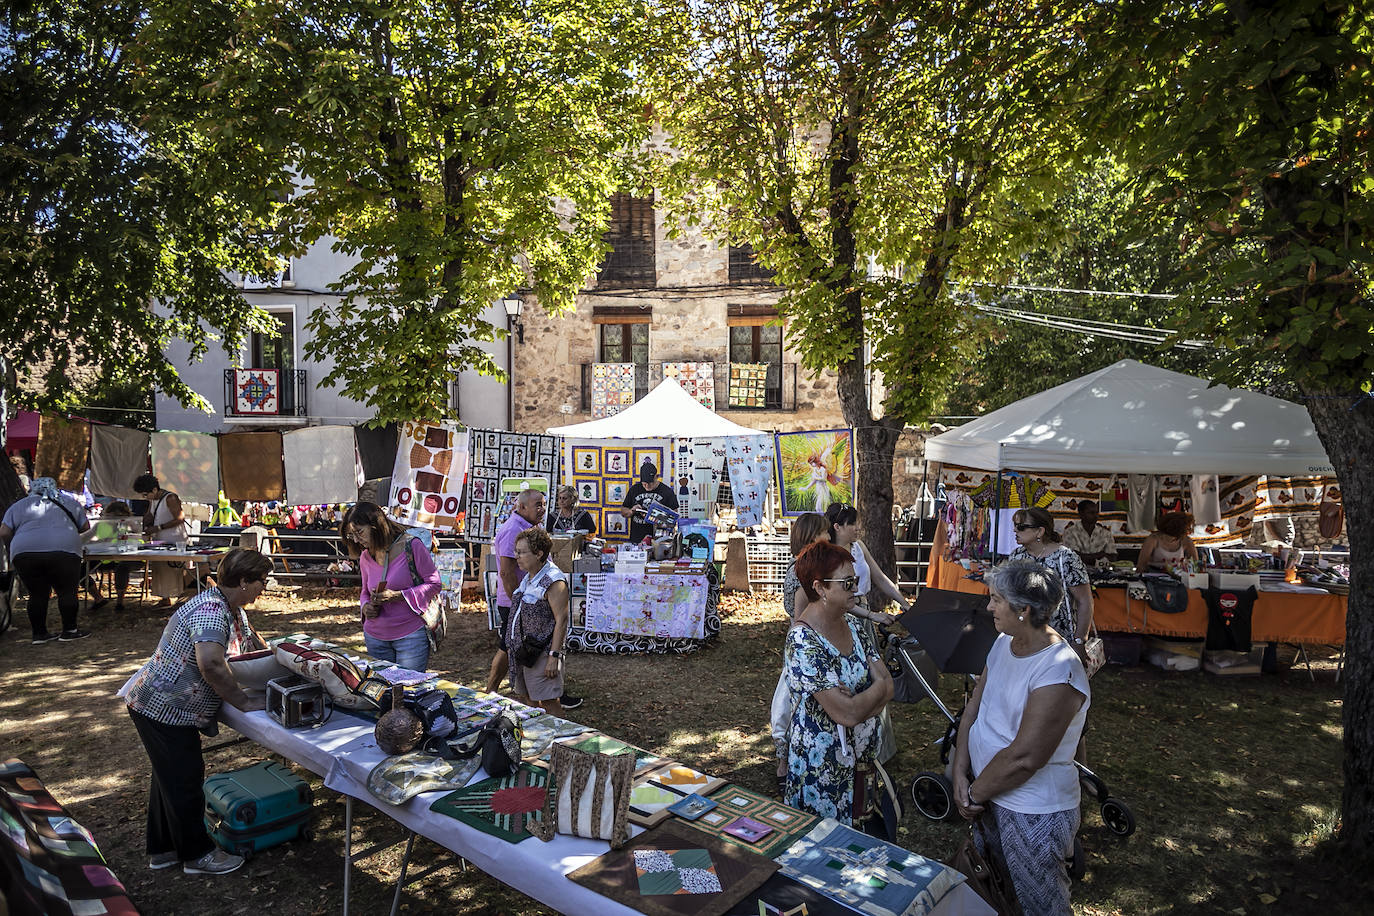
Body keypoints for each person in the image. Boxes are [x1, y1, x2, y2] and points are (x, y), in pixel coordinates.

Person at [123, 548, 274, 876]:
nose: (266, 586)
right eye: (262, 580)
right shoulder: (211, 610)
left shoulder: (231, 608)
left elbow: (253, 648)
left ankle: (163, 850)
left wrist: (283, 660)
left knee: (169, 778)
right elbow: (211, 664)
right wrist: (244, 702)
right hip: (163, 707)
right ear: (244, 581)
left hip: (165, 706)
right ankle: (197, 856)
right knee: (185, 779)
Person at [953, 559, 1090, 916]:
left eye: (996, 599)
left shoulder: (1059, 668)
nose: (989, 607)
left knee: (1040, 904)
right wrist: (958, 772)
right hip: (987, 795)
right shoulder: (1003, 642)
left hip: (1032, 810)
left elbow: (1025, 757)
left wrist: (973, 794)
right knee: (998, 890)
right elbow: (973, 711)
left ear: (1023, 610)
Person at [783, 541, 893, 822]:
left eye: (854, 580)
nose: (855, 588)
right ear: (820, 588)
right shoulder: (802, 641)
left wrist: (861, 699)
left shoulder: (854, 625)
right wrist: (873, 690)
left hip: (861, 767)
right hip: (821, 776)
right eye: (847, 583)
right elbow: (847, 713)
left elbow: (888, 685)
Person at [340, 501, 440, 672]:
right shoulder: (365, 556)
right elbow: (364, 591)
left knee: (408, 691)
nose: (356, 540)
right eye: (351, 535)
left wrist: (399, 595)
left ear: (376, 526)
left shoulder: (412, 546)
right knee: (382, 692)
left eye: (359, 532)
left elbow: (434, 583)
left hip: (410, 636)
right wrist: (365, 607)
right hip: (375, 636)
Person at [771, 512, 832, 789]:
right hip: (804, 648)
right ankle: (785, 765)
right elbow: (798, 621)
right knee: (791, 706)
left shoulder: (810, 569)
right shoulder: (801, 572)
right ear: (811, 537)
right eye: (824, 533)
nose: (829, 538)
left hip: (810, 644)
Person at [0, 476, 91, 643]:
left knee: (37, 594)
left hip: (25, 552)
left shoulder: (19, 505)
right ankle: (70, 630)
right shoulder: (68, 502)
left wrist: (11, 548)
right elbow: (85, 527)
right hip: (64, 549)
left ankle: (39, 634)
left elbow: (4, 532)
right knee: (67, 591)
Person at [1007, 506, 1093, 656]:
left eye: (1021, 527)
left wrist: (1079, 641)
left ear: (1040, 531)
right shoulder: (1016, 556)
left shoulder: (1066, 557)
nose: (1015, 531)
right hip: (1023, 636)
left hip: (1058, 640)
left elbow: (1085, 601)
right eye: (1015, 526)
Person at [506, 527, 571, 715]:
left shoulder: (553, 580)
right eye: (516, 551)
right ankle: (538, 734)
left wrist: (554, 656)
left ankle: (561, 738)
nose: (516, 556)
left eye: (521, 552)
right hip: (524, 650)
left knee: (548, 701)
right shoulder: (529, 576)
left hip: (542, 652)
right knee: (528, 698)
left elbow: (562, 619)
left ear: (539, 554)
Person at [823, 503, 910, 625]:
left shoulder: (858, 547)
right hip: (842, 617)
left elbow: (880, 578)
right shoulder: (827, 556)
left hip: (864, 610)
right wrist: (872, 615)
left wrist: (904, 603)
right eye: (852, 523)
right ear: (837, 527)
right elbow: (836, 599)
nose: (857, 528)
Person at [133, 474, 191, 607]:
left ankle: (181, 599)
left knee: (174, 570)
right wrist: (140, 524)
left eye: (145, 494)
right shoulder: (153, 500)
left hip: (175, 540)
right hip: (160, 541)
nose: (145, 497)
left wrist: (158, 527)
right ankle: (164, 598)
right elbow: (150, 515)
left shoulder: (170, 498)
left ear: (154, 490)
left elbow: (180, 518)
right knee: (160, 570)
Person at [84, 501, 139, 609]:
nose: (114, 519)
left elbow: (139, 538)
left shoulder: (131, 524)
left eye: (118, 516)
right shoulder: (101, 524)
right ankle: (98, 598)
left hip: (127, 558)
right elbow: (87, 536)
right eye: (112, 516)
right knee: (80, 570)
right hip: (104, 559)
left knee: (122, 569)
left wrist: (130, 529)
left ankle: (120, 602)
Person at [619, 461, 678, 545]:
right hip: (637, 539)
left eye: (650, 483)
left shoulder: (667, 492)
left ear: (656, 477)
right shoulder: (634, 489)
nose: (647, 487)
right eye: (644, 484)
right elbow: (623, 511)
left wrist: (661, 517)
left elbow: (674, 516)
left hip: (659, 540)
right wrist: (632, 510)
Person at [1061, 499, 1117, 566]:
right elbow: (1071, 557)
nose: (1096, 516)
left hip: (1101, 574)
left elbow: (1113, 557)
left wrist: (1087, 557)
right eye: (1091, 513)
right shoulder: (1070, 532)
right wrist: (1100, 555)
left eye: (1096, 513)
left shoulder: (1106, 533)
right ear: (1081, 514)